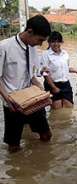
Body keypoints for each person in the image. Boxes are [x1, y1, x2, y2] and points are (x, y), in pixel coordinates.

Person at [0, 15, 52, 152]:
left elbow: (32, 75)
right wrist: (8, 99)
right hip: (12, 102)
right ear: (29, 31)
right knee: (14, 146)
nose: (40, 44)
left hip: (31, 98)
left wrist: (41, 89)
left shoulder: (33, 48)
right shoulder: (4, 47)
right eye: (40, 40)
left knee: (46, 136)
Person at [40, 31, 77, 109]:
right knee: (57, 110)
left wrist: (76, 71)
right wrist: (53, 87)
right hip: (52, 84)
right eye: (53, 42)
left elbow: (65, 68)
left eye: (58, 41)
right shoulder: (45, 54)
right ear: (49, 42)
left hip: (66, 84)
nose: (56, 44)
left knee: (69, 108)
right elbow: (45, 73)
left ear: (61, 42)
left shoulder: (65, 54)